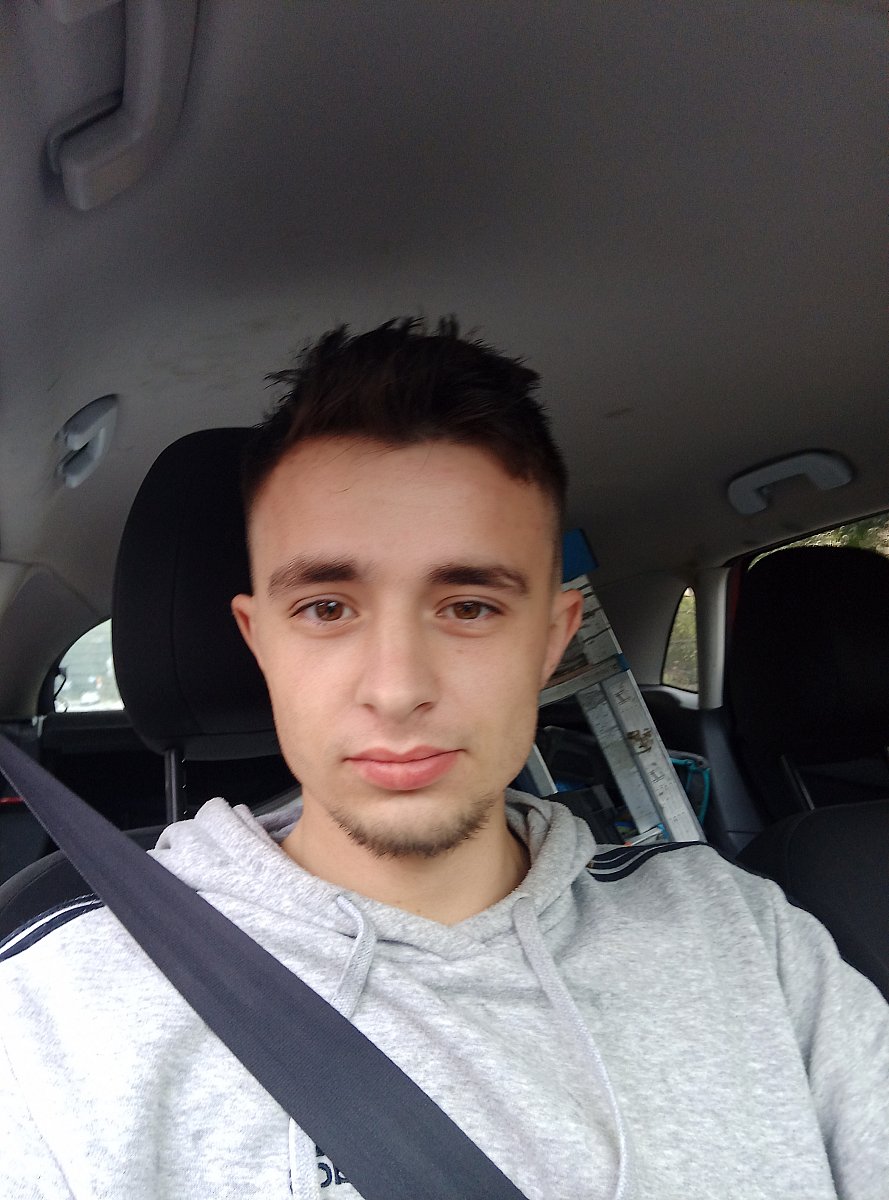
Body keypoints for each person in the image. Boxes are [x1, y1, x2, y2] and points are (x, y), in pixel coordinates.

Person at [1, 318, 887, 1199]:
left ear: (551, 641)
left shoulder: (744, 935)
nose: (396, 689)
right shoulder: (56, 1015)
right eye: (326, 608)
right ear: (258, 638)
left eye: (468, 607)